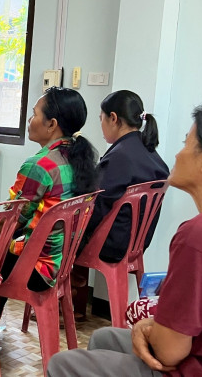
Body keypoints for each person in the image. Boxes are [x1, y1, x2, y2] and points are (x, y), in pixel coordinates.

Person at [47, 100, 202, 377]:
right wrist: (152, 326)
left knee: (63, 364)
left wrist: (146, 327)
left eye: (186, 143)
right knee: (105, 337)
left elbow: (169, 352)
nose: (177, 154)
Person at [71, 90, 169, 321]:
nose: (102, 125)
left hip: (112, 245)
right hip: (137, 243)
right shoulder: (150, 153)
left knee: (61, 232)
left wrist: (73, 229)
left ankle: (65, 304)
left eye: (101, 119)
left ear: (113, 118)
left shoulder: (119, 157)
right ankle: (73, 293)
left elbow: (97, 207)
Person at [0, 87, 98, 309]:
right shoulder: (80, 160)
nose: (30, 120)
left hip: (35, 268)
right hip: (61, 264)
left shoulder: (40, 165)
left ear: (51, 124)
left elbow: (12, 220)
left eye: (34, 114)